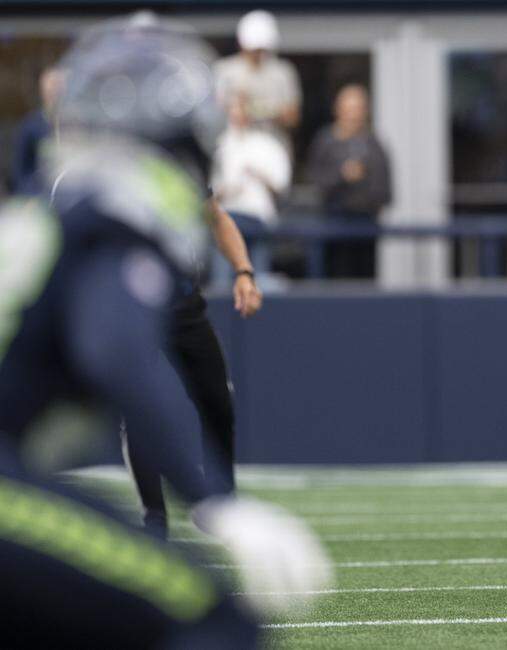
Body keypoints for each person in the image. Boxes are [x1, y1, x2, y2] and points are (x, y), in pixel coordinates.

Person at [0, 17, 328, 644]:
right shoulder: (130, 197)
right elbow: (114, 346)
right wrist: (214, 502)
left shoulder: (51, 205)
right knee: (209, 612)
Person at [121, 195, 263, 539]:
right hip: (130, 302)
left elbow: (216, 217)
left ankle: (222, 502)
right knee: (140, 405)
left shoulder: (176, 171)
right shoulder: (100, 174)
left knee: (216, 398)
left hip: (182, 302)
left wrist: (243, 271)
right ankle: (153, 516)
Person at [305, 84, 392, 279]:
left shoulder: (374, 144)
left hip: (366, 226)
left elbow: (386, 191)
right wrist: (342, 176)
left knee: (365, 284)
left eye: (358, 108)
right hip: (333, 225)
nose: (353, 115)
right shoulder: (325, 141)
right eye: (349, 108)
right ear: (338, 109)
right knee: (336, 282)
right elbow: (316, 185)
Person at [210, 93, 291, 282]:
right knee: (222, 282)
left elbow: (281, 187)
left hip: (258, 219)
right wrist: (224, 191)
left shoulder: (268, 145)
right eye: (234, 111)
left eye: (242, 111)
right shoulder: (220, 144)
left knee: (257, 280)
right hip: (226, 217)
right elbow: (208, 190)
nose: (238, 116)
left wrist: (258, 176)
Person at [213, 10, 301, 145]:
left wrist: (277, 114)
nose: (257, 54)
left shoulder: (283, 72)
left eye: (261, 49)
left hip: (274, 145)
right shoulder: (224, 70)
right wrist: (236, 109)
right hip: (236, 144)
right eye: (254, 49)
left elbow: (293, 118)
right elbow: (213, 114)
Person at [8, 66, 64, 196]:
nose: (56, 92)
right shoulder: (31, 126)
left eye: (59, 86)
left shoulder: (75, 124)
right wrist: (29, 196)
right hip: (39, 197)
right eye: (52, 87)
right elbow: (20, 171)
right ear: (43, 91)